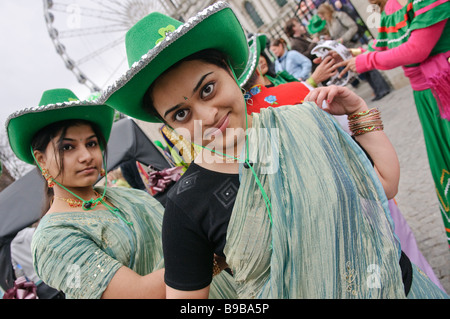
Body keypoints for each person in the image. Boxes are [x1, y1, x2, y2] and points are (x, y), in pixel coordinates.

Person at [102, 2, 448, 299]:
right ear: (169, 126)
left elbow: (384, 184)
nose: (206, 117)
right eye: (181, 114)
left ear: (230, 70)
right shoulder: (187, 206)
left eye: (207, 89)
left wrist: (359, 114)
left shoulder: (302, 122)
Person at [5, 88, 167, 299]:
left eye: (91, 144)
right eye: (67, 147)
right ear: (41, 159)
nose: (86, 156)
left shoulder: (128, 196)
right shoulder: (52, 241)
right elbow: (138, 294)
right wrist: (209, 255)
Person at [336, 0, 450, 248]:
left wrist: (367, 61)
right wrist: (348, 55)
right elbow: (382, 46)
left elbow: (417, 49)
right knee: (445, 162)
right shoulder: (391, 7)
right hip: (426, 95)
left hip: (445, 86)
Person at [317, 3, 391, 101]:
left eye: (322, 15)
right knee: (362, 69)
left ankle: (383, 88)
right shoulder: (329, 22)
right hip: (345, 49)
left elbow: (353, 27)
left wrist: (343, 39)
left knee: (368, 66)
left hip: (353, 45)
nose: (322, 18)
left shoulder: (340, 16)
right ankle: (377, 90)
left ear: (326, 12)